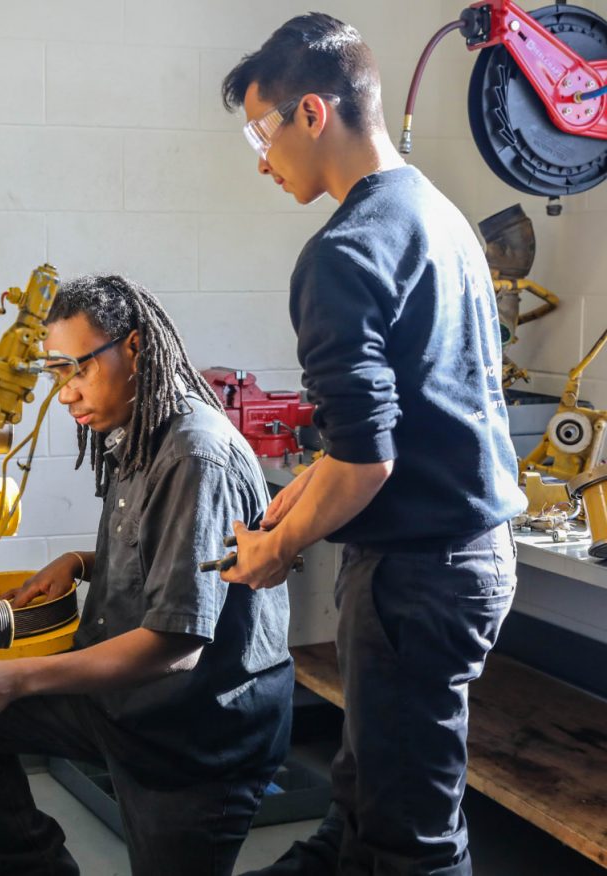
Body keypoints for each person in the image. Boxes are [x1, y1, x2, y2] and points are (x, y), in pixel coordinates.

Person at [219, 13, 527, 876]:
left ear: (310, 114)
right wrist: (297, 495)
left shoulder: (341, 253)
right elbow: (397, 419)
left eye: (261, 130)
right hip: (468, 555)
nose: (260, 159)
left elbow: (368, 458)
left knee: (410, 843)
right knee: (368, 793)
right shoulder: (442, 216)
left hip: (420, 574)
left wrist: (275, 550)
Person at [0, 274, 294, 876]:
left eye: (78, 369)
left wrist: (15, 681)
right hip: (121, 703)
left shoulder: (195, 454)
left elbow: (176, 644)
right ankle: (37, 866)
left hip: (193, 731)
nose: (66, 394)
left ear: (136, 347)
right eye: (56, 375)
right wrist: (79, 562)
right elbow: (166, 554)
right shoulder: (139, 430)